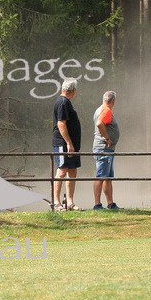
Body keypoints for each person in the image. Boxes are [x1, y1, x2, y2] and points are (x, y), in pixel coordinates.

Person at [51, 79, 82, 211]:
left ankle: (70, 202)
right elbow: (61, 124)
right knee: (62, 170)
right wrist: (69, 143)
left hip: (71, 144)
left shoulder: (66, 102)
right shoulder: (63, 102)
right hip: (63, 143)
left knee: (72, 171)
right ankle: (57, 202)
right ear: (73, 90)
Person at [92, 91, 121, 210]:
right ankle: (97, 204)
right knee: (101, 176)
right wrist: (107, 138)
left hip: (105, 149)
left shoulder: (99, 109)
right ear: (113, 101)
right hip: (104, 148)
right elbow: (99, 124)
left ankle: (110, 203)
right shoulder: (107, 110)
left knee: (107, 177)